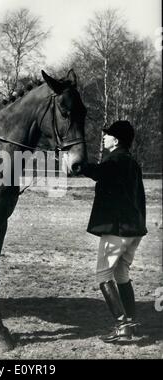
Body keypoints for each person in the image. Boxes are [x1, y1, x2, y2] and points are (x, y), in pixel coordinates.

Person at [82, 120, 147, 343]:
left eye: (107, 135)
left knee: (103, 275)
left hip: (117, 230)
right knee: (122, 275)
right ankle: (131, 321)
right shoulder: (132, 162)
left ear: (116, 140)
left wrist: (76, 164)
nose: (104, 137)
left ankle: (121, 325)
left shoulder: (115, 159)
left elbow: (96, 172)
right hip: (134, 231)